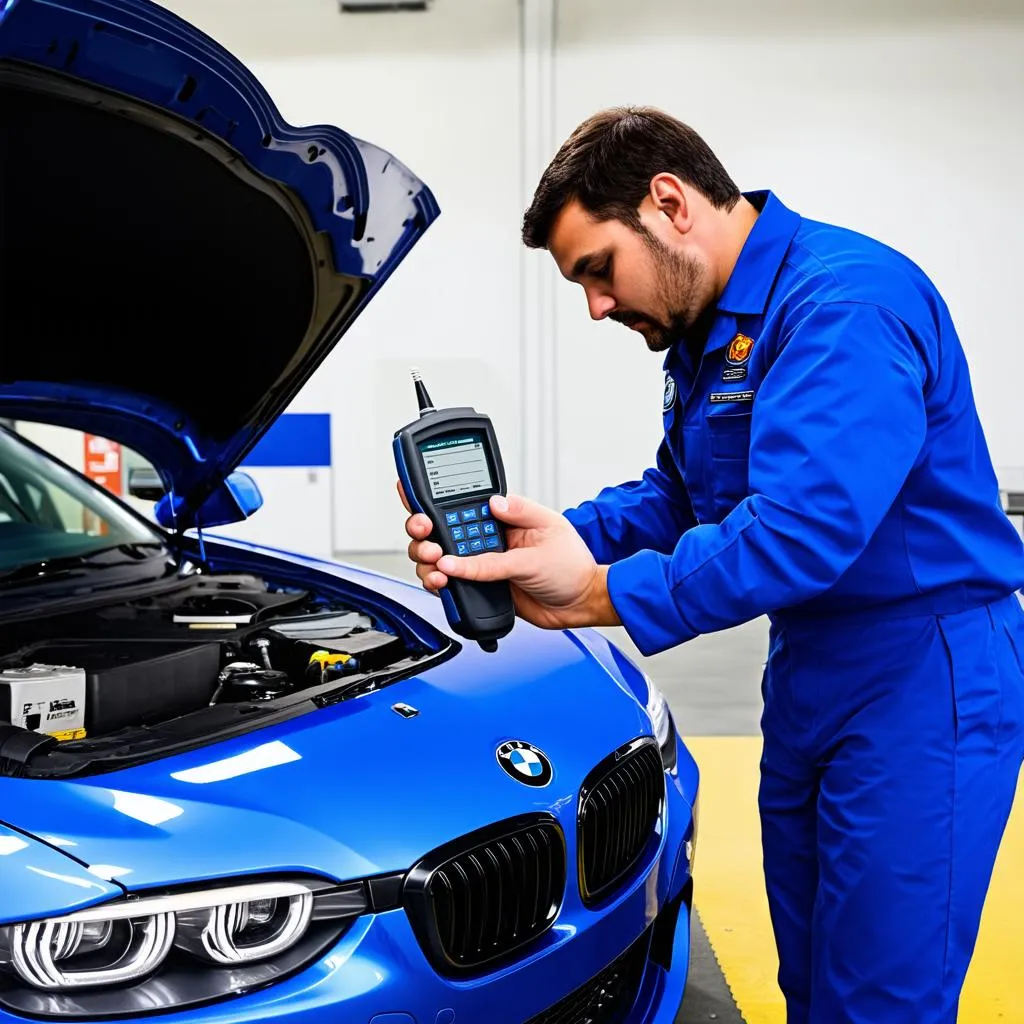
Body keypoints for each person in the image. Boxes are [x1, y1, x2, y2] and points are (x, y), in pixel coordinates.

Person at [399, 106, 1024, 1023]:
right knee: (810, 979)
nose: (597, 306)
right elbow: (685, 497)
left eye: (599, 270)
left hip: (922, 675)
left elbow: (800, 529)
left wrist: (600, 592)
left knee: (882, 999)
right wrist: (547, 541)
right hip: (814, 669)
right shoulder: (713, 333)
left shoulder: (844, 303)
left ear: (668, 202)